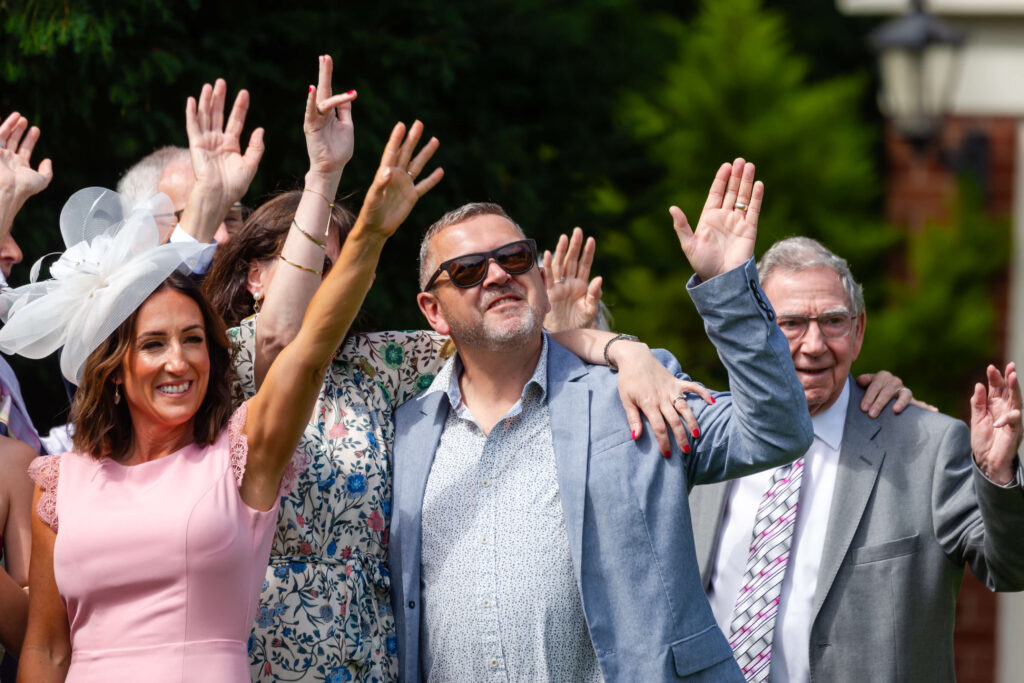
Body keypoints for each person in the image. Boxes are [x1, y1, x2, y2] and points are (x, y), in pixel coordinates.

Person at [219, 56, 714, 682]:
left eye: (342, 269)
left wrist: (627, 352)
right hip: (268, 646)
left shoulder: (382, 363)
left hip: (370, 655)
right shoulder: (226, 359)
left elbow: (505, 333)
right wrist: (325, 174)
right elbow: (283, 335)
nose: (328, 284)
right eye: (310, 260)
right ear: (256, 275)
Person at [5, 103, 421, 678]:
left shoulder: (243, 452)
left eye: (194, 339)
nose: (179, 361)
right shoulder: (60, 483)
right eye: (154, 344)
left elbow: (304, 351)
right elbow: (46, 649)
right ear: (115, 369)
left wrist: (368, 237)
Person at [388, 158, 817, 681]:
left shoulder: (631, 390)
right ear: (433, 311)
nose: (498, 275)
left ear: (540, 280)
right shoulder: (404, 433)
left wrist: (727, 286)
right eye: (469, 270)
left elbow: (774, 430)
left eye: (515, 258)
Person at [688, 236, 1024, 682]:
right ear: (756, 330)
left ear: (859, 330)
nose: (813, 344)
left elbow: (1010, 567)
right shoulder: (705, 437)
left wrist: (998, 474)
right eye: (789, 323)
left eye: (832, 321)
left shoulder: (926, 446)